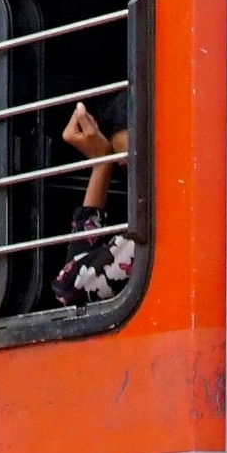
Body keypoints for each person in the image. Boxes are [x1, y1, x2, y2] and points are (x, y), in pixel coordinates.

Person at [51, 101, 139, 308]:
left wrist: (102, 165)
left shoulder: (162, 230)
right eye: (127, 168)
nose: (139, 176)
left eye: (144, 159)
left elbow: (71, 288)